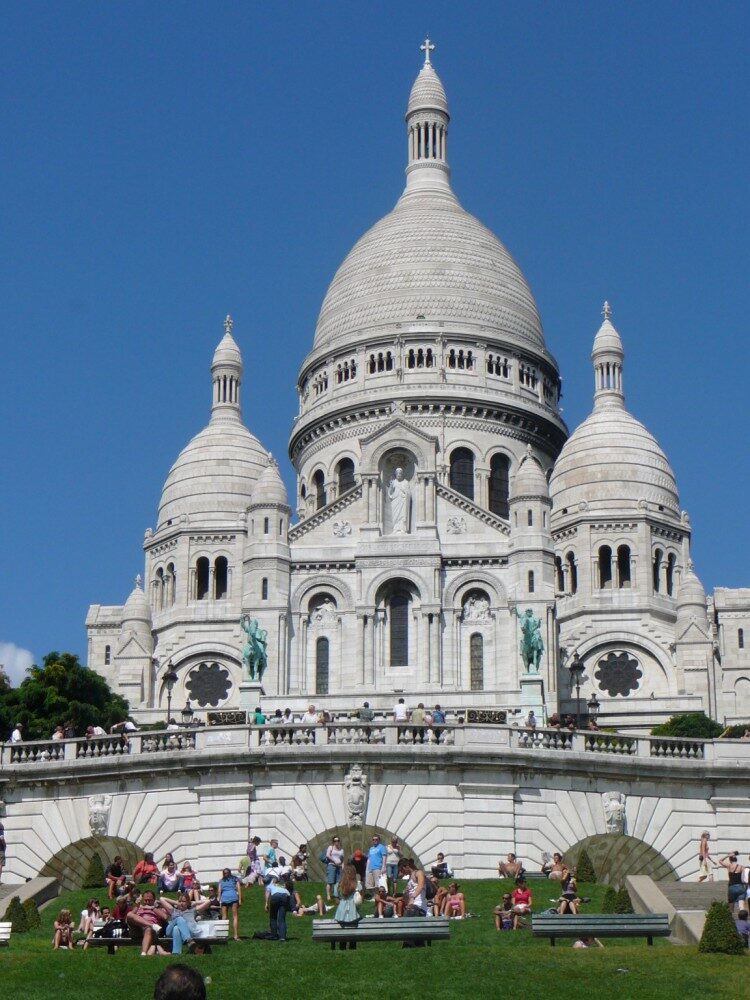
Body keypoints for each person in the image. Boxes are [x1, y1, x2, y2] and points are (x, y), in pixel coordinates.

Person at [126, 889, 168, 956]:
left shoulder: (157, 909)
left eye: (150, 900)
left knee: (148, 929)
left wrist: (152, 908)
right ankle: (152, 925)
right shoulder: (138, 907)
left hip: (151, 931)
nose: (147, 902)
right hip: (137, 929)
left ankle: (143, 953)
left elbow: (165, 917)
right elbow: (128, 917)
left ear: (154, 900)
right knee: (129, 914)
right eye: (145, 900)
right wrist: (137, 906)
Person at [334, 864, 362, 949]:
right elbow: (359, 899)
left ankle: (342, 947)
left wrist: (342, 903)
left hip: (341, 913)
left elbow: (336, 900)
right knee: (353, 932)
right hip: (354, 912)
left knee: (342, 932)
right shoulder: (357, 885)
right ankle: (352, 948)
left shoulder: (338, 885)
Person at [218, 867, 242, 940]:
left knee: (224, 917)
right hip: (233, 897)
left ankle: (223, 936)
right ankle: (235, 936)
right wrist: (240, 899)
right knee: (235, 917)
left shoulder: (221, 881)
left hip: (224, 898)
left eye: (226, 873)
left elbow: (219, 891)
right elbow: (239, 888)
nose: (226, 874)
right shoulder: (235, 879)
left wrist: (219, 901)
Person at [324, 835, 344, 902]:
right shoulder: (331, 847)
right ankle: (328, 895)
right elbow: (327, 855)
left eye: (338, 840)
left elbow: (342, 860)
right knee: (330, 881)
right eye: (335, 840)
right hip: (331, 865)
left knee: (338, 882)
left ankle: (336, 895)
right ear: (333, 841)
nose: (336, 842)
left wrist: (342, 867)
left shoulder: (341, 850)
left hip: (339, 867)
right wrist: (334, 861)